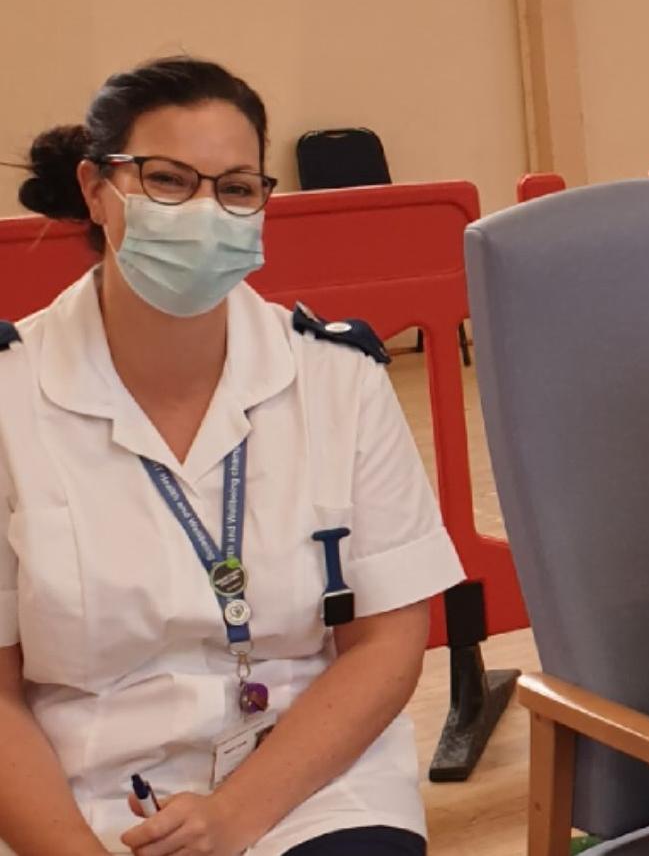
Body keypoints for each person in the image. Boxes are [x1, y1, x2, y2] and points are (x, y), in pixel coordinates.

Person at [0, 58, 465, 856]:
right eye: (170, 181)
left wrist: (236, 815)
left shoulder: (337, 378)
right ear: (94, 188)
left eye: (237, 188)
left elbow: (387, 641)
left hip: (305, 782)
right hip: (80, 794)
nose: (206, 211)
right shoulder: (13, 396)